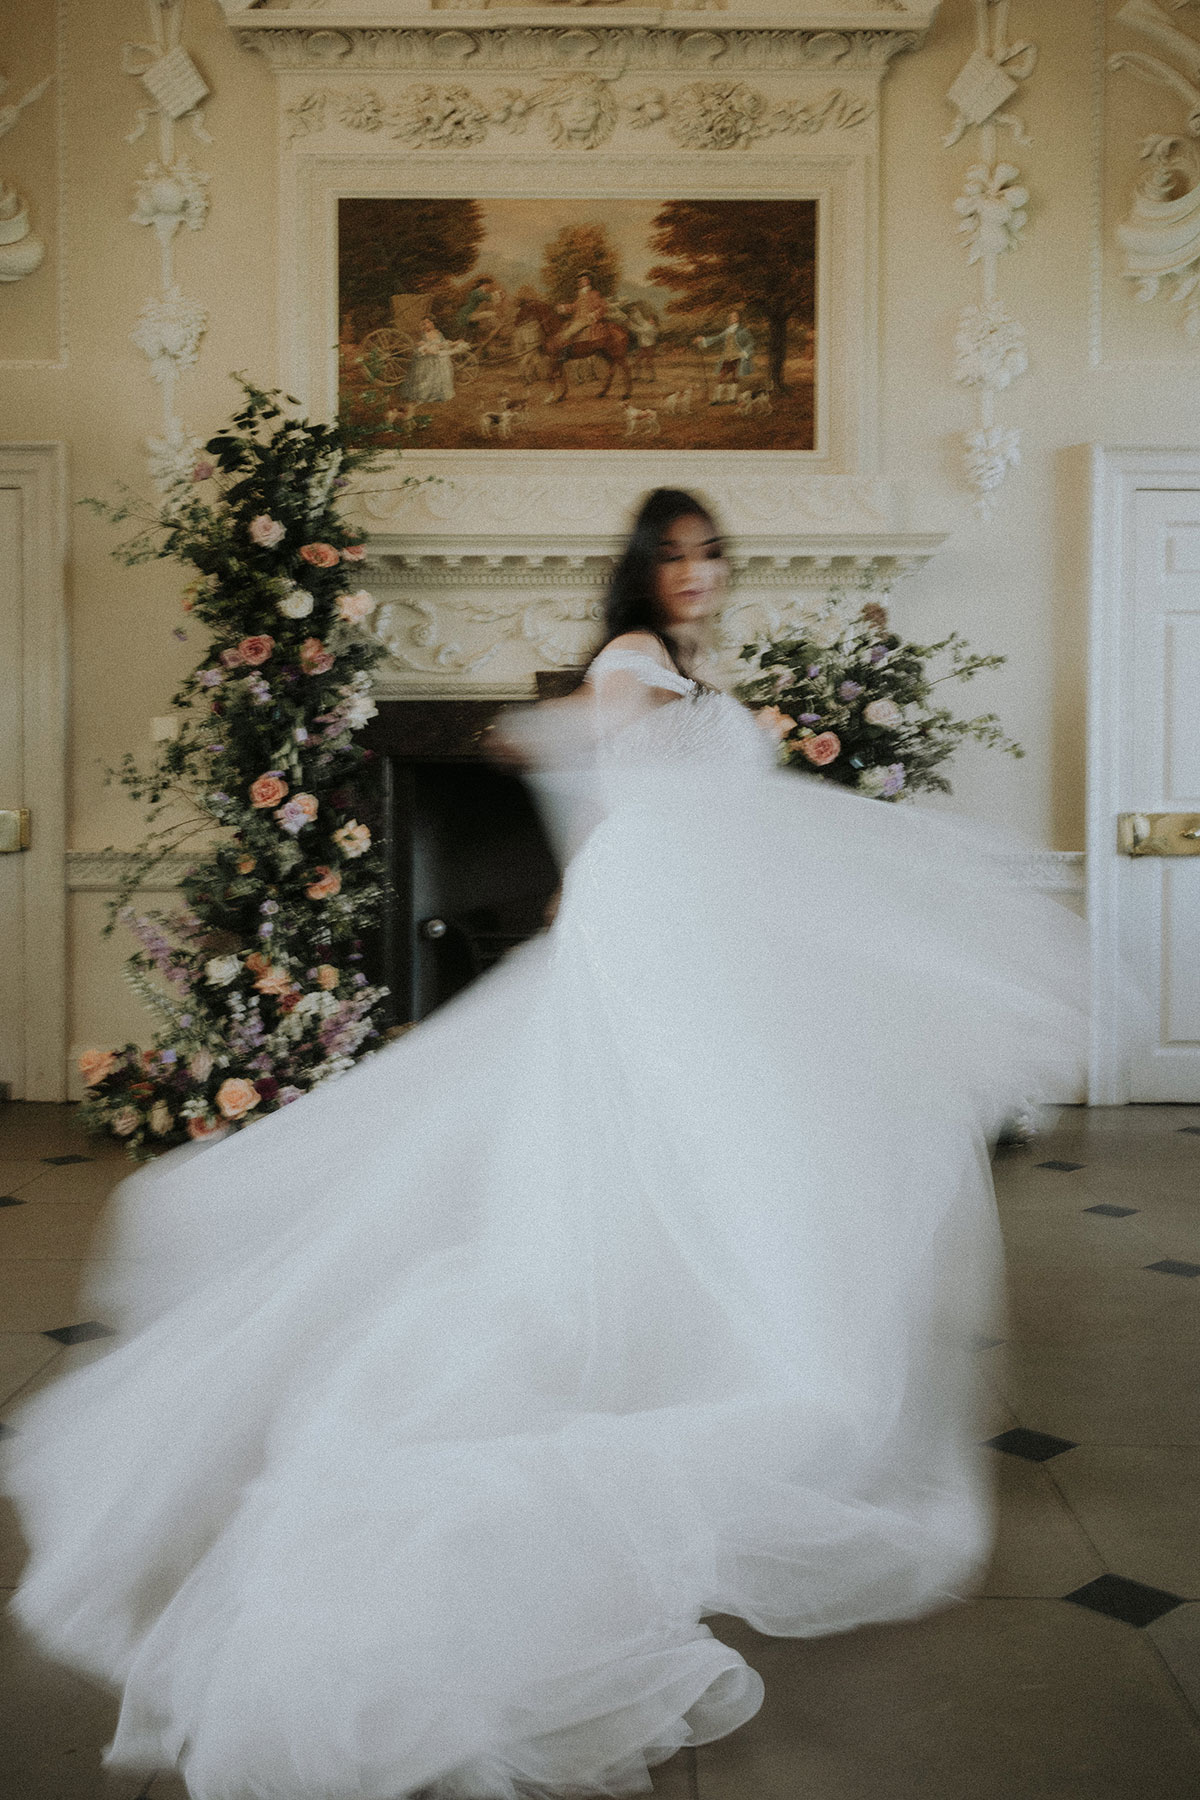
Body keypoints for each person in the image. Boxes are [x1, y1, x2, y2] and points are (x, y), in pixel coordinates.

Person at [3, 490, 1088, 1800]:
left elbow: (629, 804)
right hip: (665, 954)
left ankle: (692, 1336)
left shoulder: (686, 673)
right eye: (672, 556)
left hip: (688, 953)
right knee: (668, 1179)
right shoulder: (636, 669)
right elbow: (623, 772)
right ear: (641, 574)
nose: (694, 574)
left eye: (708, 555)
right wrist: (589, 744)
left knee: (702, 1180)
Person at [398, 316, 467, 404]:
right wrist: (426, 347)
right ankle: (423, 396)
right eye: (424, 324)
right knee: (426, 377)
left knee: (442, 369)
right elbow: (420, 347)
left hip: (438, 355)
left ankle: (439, 394)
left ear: (432, 323)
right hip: (428, 358)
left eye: (428, 322)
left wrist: (453, 343)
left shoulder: (438, 333)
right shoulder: (423, 335)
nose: (427, 325)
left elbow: (443, 343)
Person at [693, 308, 755, 404]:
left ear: (738, 318)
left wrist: (744, 352)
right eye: (731, 316)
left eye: (735, 316)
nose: (733, 318)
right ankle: (717, 399)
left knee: (735, 378)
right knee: (721, 377)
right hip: (727, 357)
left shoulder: (743, 331)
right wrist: (702, 340)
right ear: (729, 318)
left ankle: (731, 398)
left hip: (737, 357)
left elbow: (751, 342)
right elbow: (716, 339)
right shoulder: (727, 331)